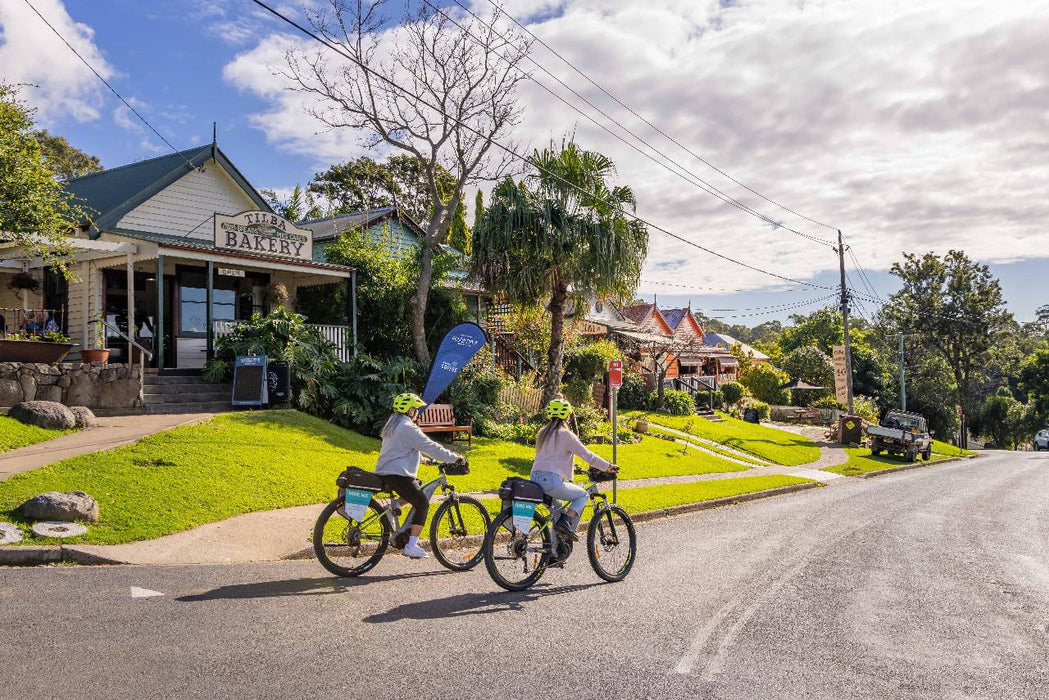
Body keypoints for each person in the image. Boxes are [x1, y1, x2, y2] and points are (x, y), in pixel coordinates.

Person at [375, 392, 466, 560]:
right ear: (410, 410)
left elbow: (399, 450)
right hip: (397, 474)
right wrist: (455, 457)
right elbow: (430, 446)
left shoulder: (393, 424)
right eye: (416, 409)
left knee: (419, 486)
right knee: (422, 502)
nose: (417, 412)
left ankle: (391, 508)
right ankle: (411, 546)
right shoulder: (408, 427)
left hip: (387, 471)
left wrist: (423, 461)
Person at [530, 398, 618, 542]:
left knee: (557, 513)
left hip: (535, 480)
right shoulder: (565, 434)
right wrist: (608, 466)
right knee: (582, 495)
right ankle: (566, 522)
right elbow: (588, 456)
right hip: (551, 482)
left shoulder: (543, 434)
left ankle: (554, 552)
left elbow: (550, 459)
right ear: (568, 416)